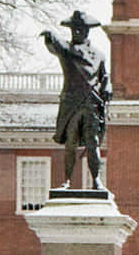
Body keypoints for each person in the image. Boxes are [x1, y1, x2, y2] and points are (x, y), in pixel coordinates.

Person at [42, 10, 110, 189]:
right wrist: (50, 36)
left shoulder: (99, 55)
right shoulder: (66, 50)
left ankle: (96, 180)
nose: (78, 32)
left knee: (92, 142)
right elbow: (54, 45)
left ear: (87, 30)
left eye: (81, 28)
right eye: (75, 29)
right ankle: (67, 181)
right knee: (70, 142)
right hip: (72, 103)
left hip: (91, 102)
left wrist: (107, 88)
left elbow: (104, 76)